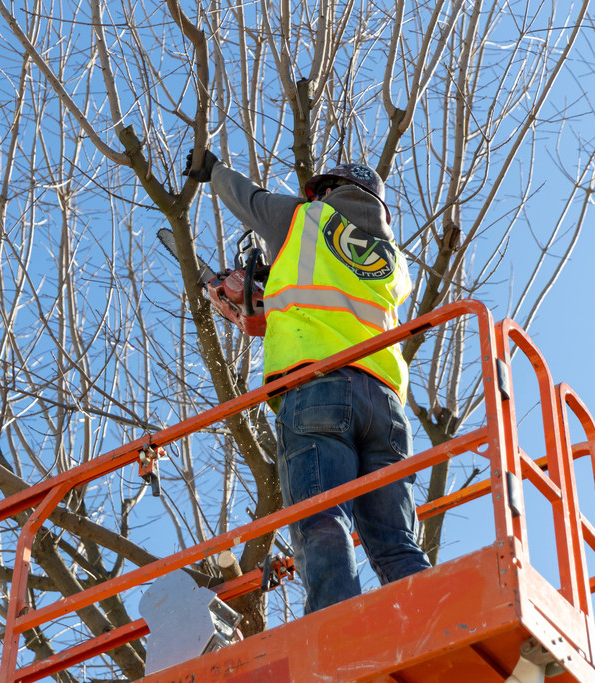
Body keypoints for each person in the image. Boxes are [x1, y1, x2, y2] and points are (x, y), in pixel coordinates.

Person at [185, 149, 432, 613]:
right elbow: (335, 290)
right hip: (386, 403)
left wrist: (212, 171)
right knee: (396, 542)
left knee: (322, 523)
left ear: (325, 190)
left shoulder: (303, 218)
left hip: (318, 387)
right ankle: (436, 622)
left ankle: (338, 644)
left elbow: (247, 198)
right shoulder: (395, 261)